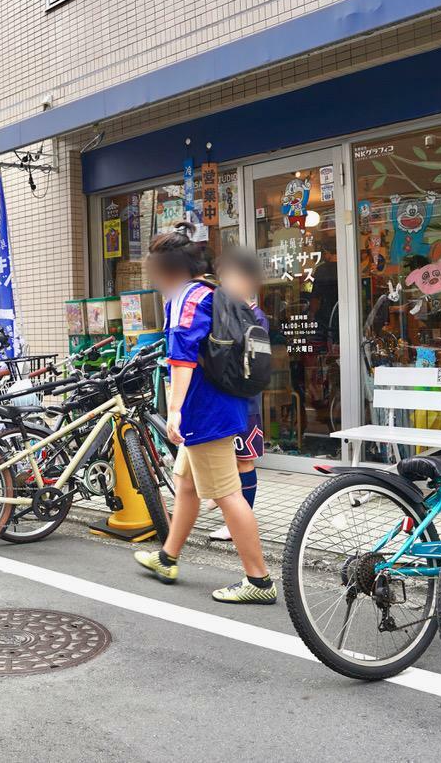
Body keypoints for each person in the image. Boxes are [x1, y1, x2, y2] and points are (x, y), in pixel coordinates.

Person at [134, 228, 276, 605]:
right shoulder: (210, 290)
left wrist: (176, 410)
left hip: (205, 412)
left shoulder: (185, 297)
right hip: (221, 404)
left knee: (228, 495)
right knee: (187, 485)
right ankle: (168, 557)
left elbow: (182, 358)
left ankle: (259, 581)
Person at [207, 247, 268, 542]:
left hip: (245, 404)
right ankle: (232, 513)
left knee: (243, 460)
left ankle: (239, 522)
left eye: (229, 277)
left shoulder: (253, 317)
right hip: (232, 401)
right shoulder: (237, 312)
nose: (224, 284)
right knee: (230, 459)